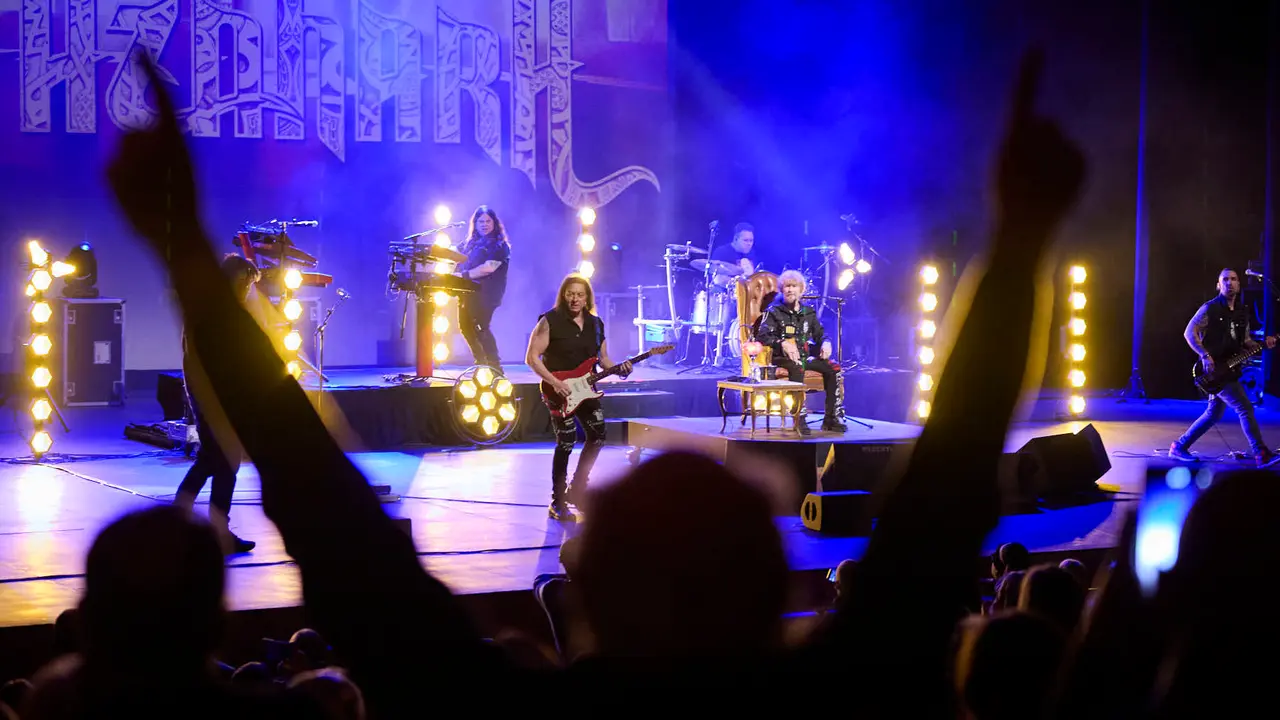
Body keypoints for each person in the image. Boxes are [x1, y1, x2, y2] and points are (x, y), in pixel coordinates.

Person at [526, 274, 632, 521]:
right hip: (558, 391)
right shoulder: (549, 321)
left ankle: (578, 489)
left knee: (598, 436)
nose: (575, 299)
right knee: (565, 442)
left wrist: (620, 368)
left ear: (587, 298)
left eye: (580, 294)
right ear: (564, 295)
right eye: (570, 294)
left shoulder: (596, 324)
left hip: (587, 389)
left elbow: (602, 359)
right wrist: (555, 382)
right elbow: (531, 357)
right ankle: (558, 501)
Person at [174, 254, 259, 554]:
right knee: (219, 461)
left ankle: (199, 525)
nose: (249, 288)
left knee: (219, 461)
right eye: (247, 282)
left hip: (214, 396)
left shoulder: (214, 307)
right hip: (215, 398)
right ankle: (200, 526)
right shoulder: (215, 311)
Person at [1170, 268, 1280, 468]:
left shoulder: (1242, 312)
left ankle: (1179, 446)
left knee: (1214, 413)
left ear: (1239, 284)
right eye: (1225, 280)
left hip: (1230, 369)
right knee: (1245, 408)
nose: (1230, 283)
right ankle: (1261, 453)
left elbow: (1246, 341)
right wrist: (1205, 355)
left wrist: (1264, 344)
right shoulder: (1209, 309)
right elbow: (1189, 333)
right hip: (1214, 372)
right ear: (1218, 285)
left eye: (1234, 279)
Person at [756, 270, 846, 436]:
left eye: (793, 286)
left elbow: (820, 334)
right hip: (782, 359)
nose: (790, 290)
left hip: (805, 356)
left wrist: (826, 343)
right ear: (782, 290)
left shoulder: (808, 312)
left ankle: (832, 417)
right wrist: (782, 343)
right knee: (797, 367)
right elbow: (762, 335)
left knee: (833, 368)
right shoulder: (774, 311)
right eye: (786, 286)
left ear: (801, 290)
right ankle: (800, 417)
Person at [455, 205, 511, 370]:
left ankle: (495, 366)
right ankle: (480, 362)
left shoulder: (500, 246)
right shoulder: (469, 244)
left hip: (487, 294)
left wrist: (464, 275)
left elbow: (489, 267)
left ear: (494, 223)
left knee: (481, 326)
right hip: (466, 293)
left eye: (488, 221)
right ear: (475, 223)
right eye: (481, 221)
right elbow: (454, 255)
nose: (484, 224)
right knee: (465, 326)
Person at [710, 221, 759, 286]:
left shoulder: (752, 254)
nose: (749, 244)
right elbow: (718, 279)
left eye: (751, 240)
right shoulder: (722, 252)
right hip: (725, 292)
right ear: (736, 239)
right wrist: (740, 282)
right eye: (745, 240)